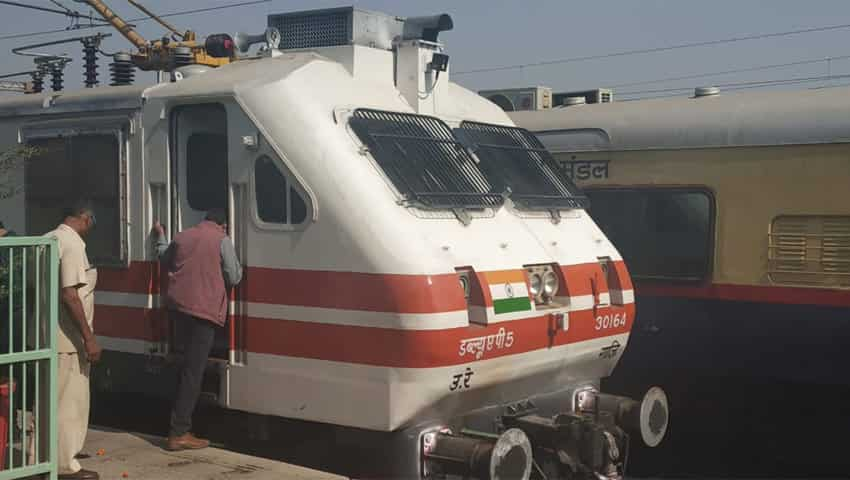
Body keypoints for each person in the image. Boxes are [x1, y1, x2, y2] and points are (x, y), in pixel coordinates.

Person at [152, 208, 242, 451]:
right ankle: (178, 432)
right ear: (223, 225)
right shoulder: (222, 240)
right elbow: (234, 276)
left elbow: (163, 256)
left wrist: (160, 235)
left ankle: (179, 426)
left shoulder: (182, 236)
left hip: (178, 311)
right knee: (194, 372)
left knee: (184, 367)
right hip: (204, 314)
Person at [45, 200, 101, 480]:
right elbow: (70, 294)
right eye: (93, 220)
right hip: (67, 341)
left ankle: (39, 459)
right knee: (70, 404)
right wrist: (88, 338)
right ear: (84, 217)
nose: (92, 226)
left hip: (45, 337)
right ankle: (65, 465)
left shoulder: (47, 238)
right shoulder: (73, 244)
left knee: (46, 403)